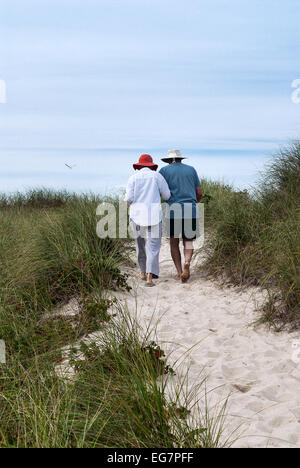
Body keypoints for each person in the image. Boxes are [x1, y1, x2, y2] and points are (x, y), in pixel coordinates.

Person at [125, 154, 171, 287]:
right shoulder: (157, 176)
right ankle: (150, 277)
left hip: (136, 216)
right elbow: (167, 195)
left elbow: (128, 198)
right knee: (153, 246)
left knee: (139, 244)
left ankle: (142, 272)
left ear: (139, 165)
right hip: (154, 216)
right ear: (151, 165)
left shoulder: (133, 178)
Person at [159, 150, 202, 283]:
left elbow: (161, 192)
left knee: (174, 242)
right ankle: (187, 262)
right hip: (191, 208)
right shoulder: (191, 170)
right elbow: (199, 192)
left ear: (169, 160)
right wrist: (195, 202)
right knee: (188, 241)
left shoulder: (164, 171)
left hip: (173, 209)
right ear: (180, 159)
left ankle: (179, 272)